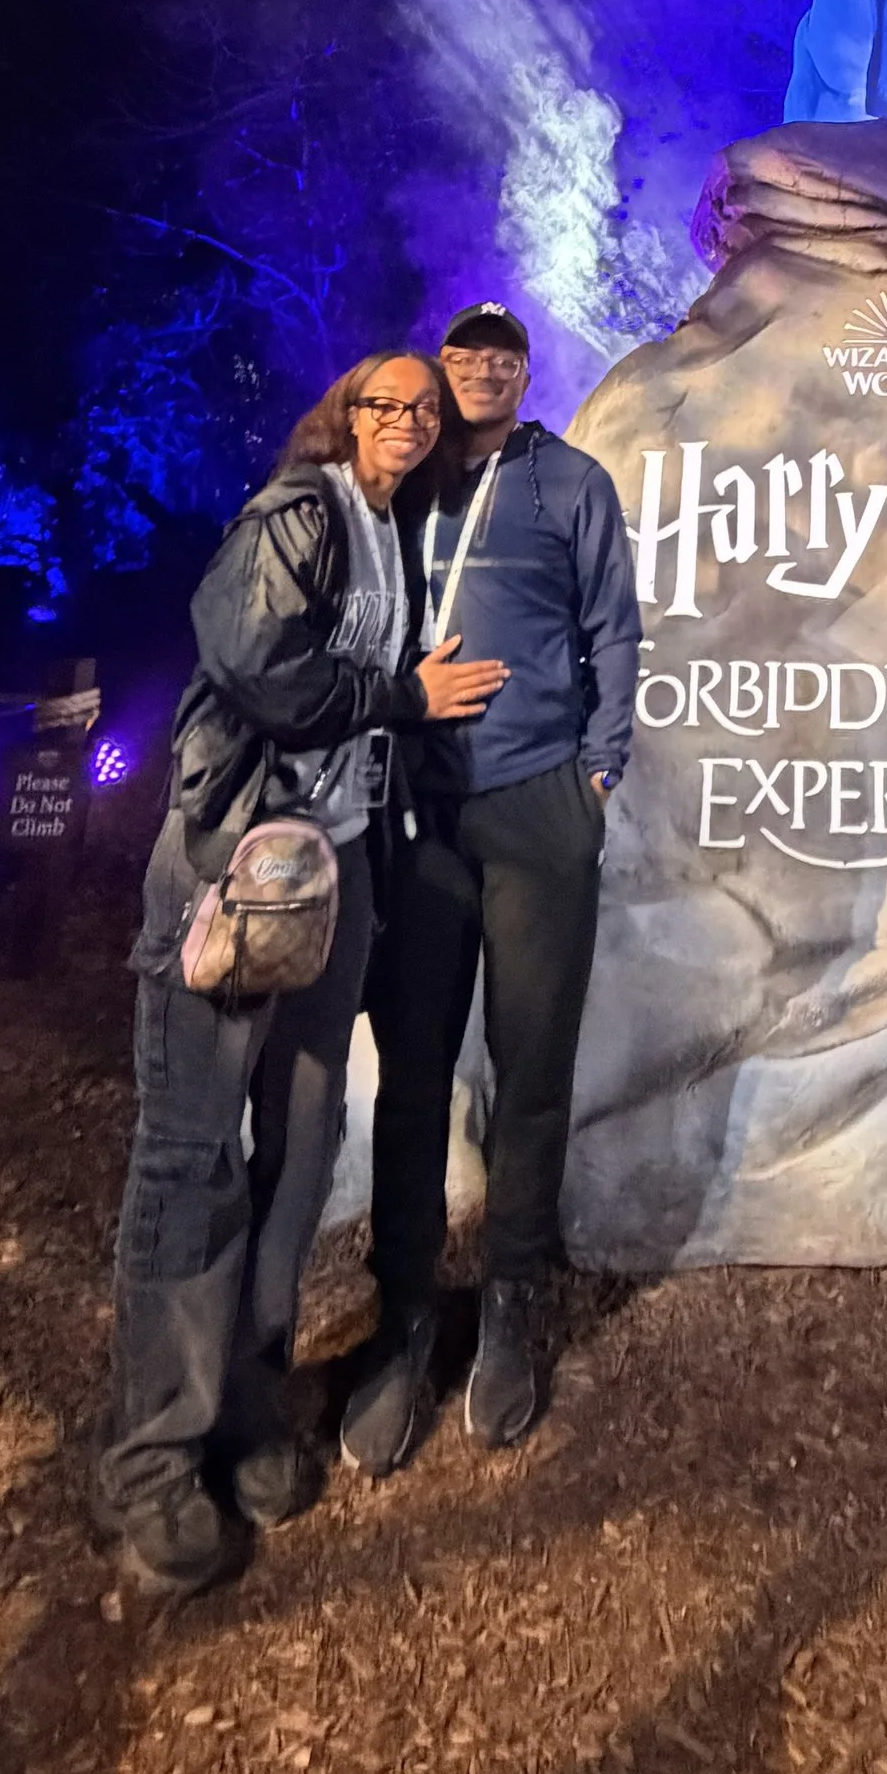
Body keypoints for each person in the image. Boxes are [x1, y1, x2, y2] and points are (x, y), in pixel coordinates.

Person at [96, 350, 506, 1597]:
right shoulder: (298, 512)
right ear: (344, 414)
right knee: (190, 1155)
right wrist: (401, 696)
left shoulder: (394, 534)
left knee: (301, 1148)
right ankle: (153, 1459)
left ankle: (245, 1405)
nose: (407, 421)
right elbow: (252, 660)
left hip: (336, 875)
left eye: (424, 410)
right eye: (386, 403)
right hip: (238, 868)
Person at [342, 301, 640, 1467]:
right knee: (414, 1070)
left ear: (524, 374)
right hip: (418, 813)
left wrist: (599, 771)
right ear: (440, 365)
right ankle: (406, 1310)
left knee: (532, 1064)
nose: (481, 371)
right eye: (463, 354)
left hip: (536, 806)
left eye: (501, 358)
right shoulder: (405, 482)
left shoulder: (568, 482)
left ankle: (514, 1294)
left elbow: (614, 627)